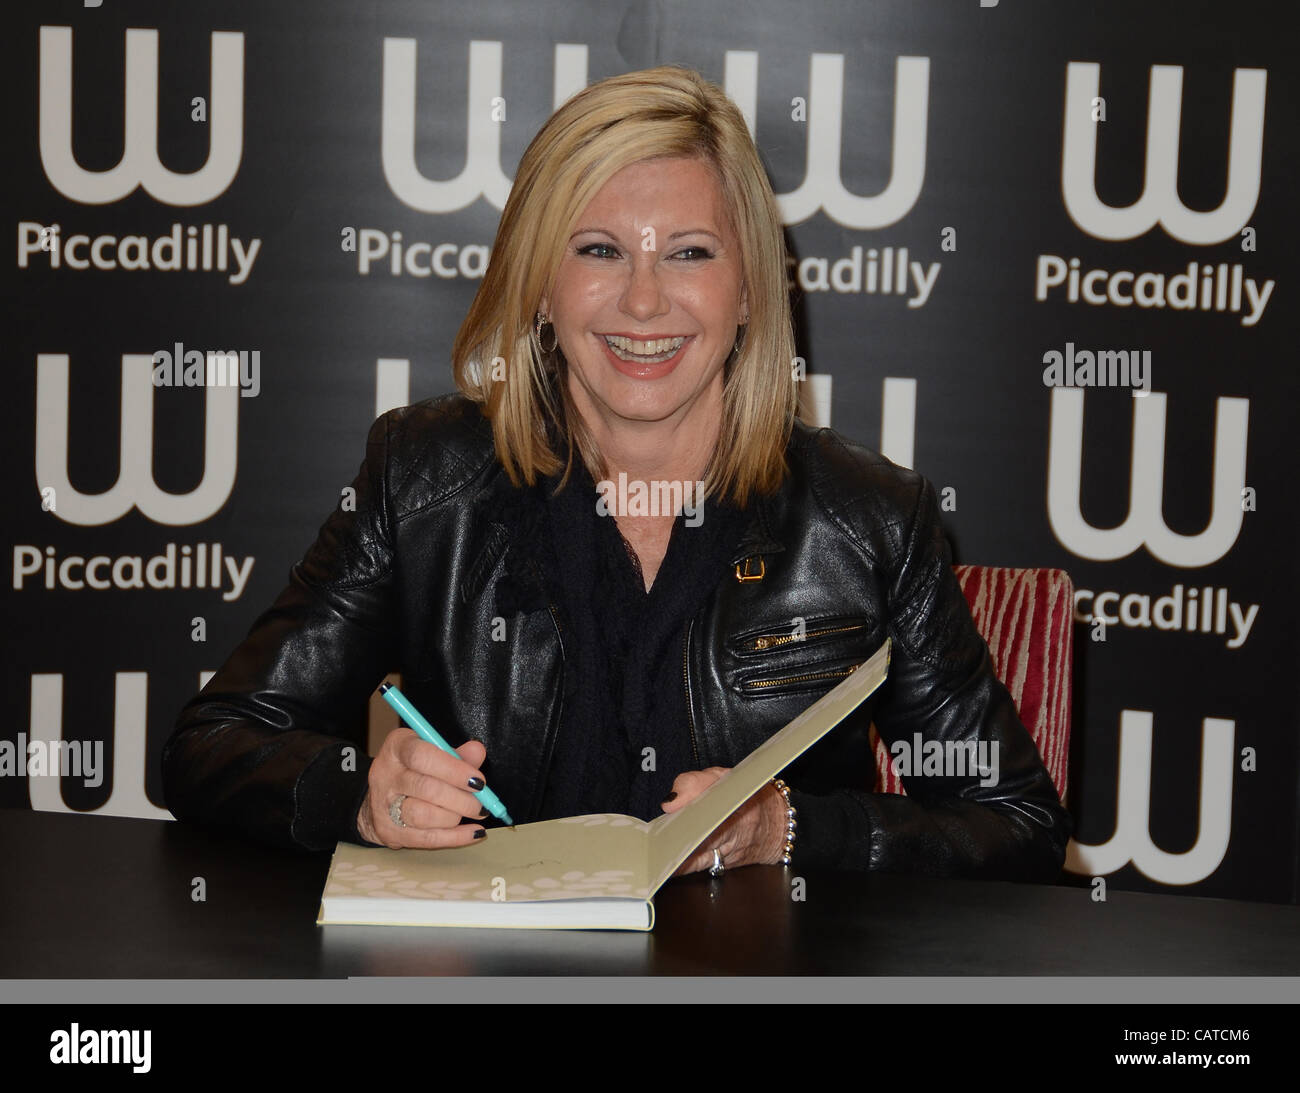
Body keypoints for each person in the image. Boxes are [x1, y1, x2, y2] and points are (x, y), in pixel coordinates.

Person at [162, 65, 1071, 881]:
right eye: (598, 249)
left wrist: (789, 830)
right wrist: (357, 795)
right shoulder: (422, 480)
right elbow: (211, 744)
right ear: (538, 284)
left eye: (689, 252)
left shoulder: (870, 519)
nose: (643, 300)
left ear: (750, 287)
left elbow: (1017, 821)